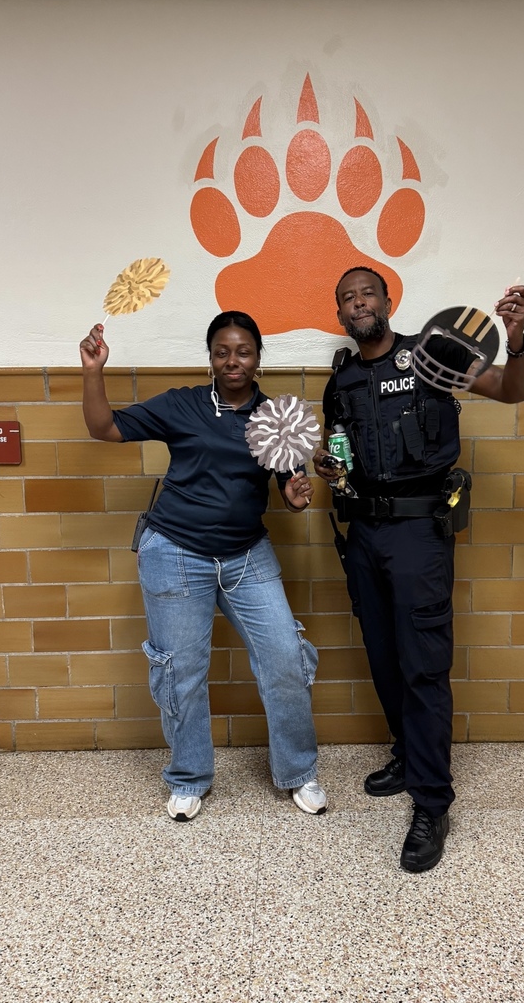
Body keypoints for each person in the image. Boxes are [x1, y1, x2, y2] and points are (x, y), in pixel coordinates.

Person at [313, 268, 524, 872]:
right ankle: (410, 757)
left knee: (424, 666)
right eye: (347, 298)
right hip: (363, 535)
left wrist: (516, 340)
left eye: (367, 294)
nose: (358, 304)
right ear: (341, 314)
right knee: (384, 657)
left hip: (418, 535)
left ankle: (433, 803)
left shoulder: (434, 354)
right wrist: (327, 467)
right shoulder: (342, 380)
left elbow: (511, 391)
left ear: (389, 301)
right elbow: (337, 451)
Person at [80, 310, 327, 821]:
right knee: (181, 672)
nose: (233, 360)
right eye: (222, 351)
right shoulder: (182, 404)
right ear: (210, 357)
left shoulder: (277, 416)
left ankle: (298, 772)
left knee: (285, 657)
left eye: (244, 351)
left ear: (259, 359)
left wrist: (298, 497)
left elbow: (290, 491)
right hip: (175, 553)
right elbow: (103, 427)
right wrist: (93, 370)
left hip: (246, 556)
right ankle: (189, 776)